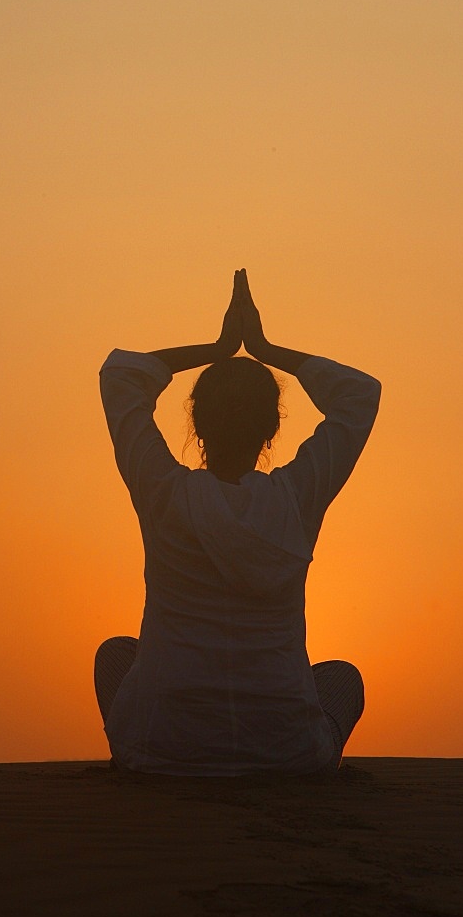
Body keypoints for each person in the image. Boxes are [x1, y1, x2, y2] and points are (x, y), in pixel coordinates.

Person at [95, 270, 381, 776]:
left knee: (117, 655)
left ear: (196, 424)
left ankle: (141, 763)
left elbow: (122, 377)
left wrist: (218, 348)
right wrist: (267, 350)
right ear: (273, 428)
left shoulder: (163, 494)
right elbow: (359, 393)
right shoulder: (296, 499)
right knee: (341, 678)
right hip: (284, 750)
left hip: (165, 745)